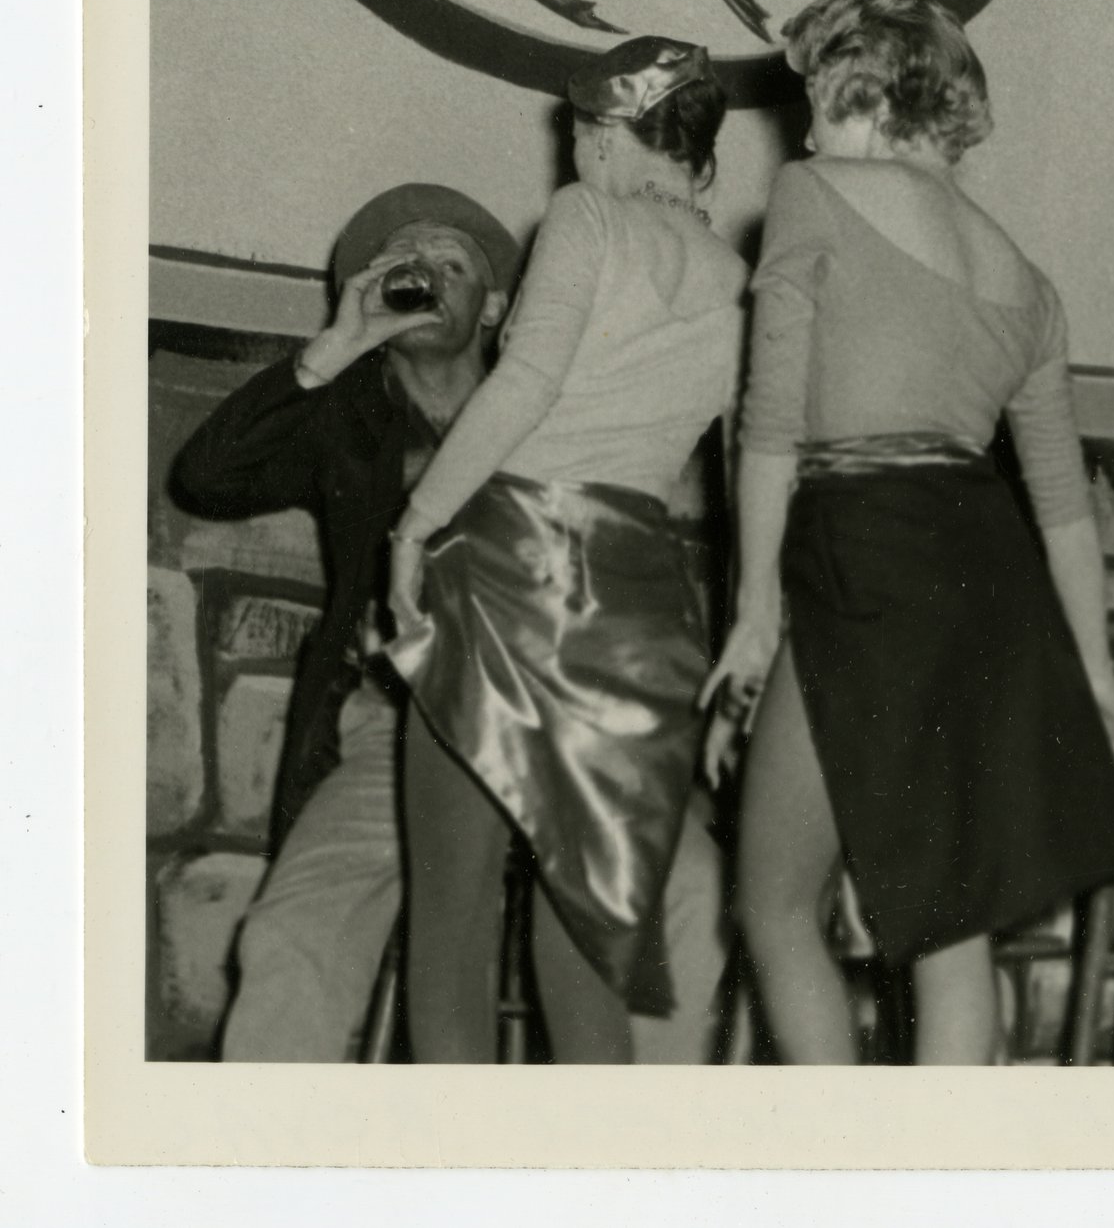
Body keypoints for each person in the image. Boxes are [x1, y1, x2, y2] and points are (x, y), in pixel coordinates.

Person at [172, 184, 732, 1063]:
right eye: (405, 260)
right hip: (399, 732)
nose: (426, 273)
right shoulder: (350, 423)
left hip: (568, 725)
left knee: (692, 897)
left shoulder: (559, 400)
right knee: (293, 933)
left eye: (454, 261)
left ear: (499, 305)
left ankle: (644, 1161)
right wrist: (337, 344)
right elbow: (204, 477)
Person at [704, 0, 1114, 1066]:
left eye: (812, 100)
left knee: (770, 902)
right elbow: (1064, 509)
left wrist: (754, 610)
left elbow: (769, 428)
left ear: (861, 97)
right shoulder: (1031, 286)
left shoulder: (815, 192)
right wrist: (1095, 682)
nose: (801, 131)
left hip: (862, 549)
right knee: (950, 937)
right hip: (986, 576)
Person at [386, 39, 747, 1063]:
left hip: (509, 566)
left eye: (581, 134)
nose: (576, 155)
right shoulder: (739, 278)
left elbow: (524, 383)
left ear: (604, 136)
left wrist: (416, 524)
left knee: (450, 918)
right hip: (637, 601)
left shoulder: (586, 218)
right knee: (588, 933)